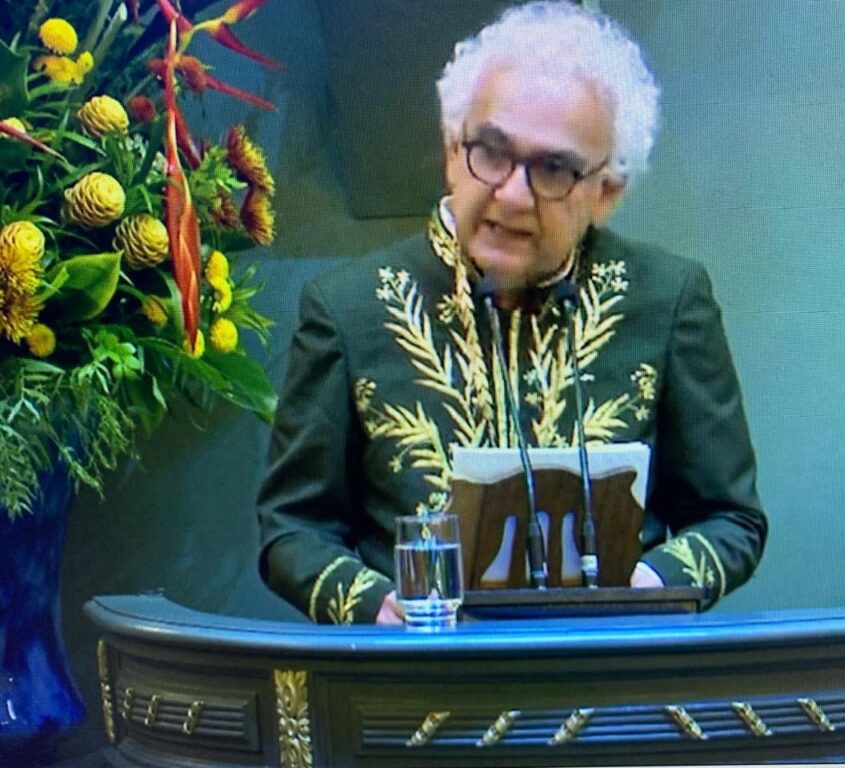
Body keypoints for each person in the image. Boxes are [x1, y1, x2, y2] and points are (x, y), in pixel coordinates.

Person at [257, 0, 767, 625]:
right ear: (452, 150)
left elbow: (731, 518)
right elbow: (292, 528)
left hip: (611, 669)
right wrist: (376, 607)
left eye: (554, 168)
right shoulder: (346, 308)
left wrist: (644, 586)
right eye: (492, 152)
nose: (513, 194)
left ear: (607, 192)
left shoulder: (668, 298)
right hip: (417, 674)